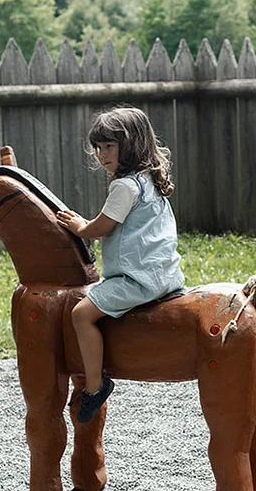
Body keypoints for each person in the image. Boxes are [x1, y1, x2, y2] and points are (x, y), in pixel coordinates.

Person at [56, 106, 185, 423]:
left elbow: (102, 227)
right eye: (98, 148)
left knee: (81, 314)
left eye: (109, 146)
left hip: (137, 279)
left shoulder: (124, 187)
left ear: (133, 145)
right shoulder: (149, 181)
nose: (101, 155)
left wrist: (79, 226)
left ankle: (95, 386)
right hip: (165, 275)